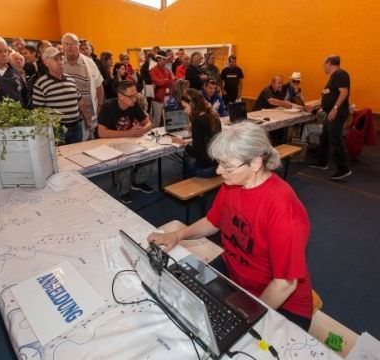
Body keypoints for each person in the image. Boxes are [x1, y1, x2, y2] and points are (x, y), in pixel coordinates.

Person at [148, 121, 313, 331]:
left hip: (281, 300)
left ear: (255, 163)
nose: (218, 171)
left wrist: (248, 321)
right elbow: (212, 222)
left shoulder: (283, 209)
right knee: (180, 296)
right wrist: (178, 235)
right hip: (236, 273)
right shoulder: (232, 184)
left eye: (226, 165)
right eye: (219, 163)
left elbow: (285, 284)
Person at [97, 80, 153, 204]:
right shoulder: (108, 106)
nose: (134, 99)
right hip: (110, 143)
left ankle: (138, 182)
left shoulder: (134, 106)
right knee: (125, 162)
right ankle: (124, 191)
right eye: (131, 96)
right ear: (120, 96)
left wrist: (142, 130)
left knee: (151, 154)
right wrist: (128, 133)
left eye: (136, 95)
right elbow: (102, 133)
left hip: (130, 141)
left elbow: (149, 123)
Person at [309, 55, 352, 180]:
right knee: (325, 137)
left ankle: (343, 169)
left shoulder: (340, 74)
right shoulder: (334, 77)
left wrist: (335, 108)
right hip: (331, 112)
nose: (323, 67)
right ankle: (322, 162)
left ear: (329, 63)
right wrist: (323, 106)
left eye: (324, 64)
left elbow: (344, 92)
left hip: (337, 113)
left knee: (335, 140)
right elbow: (331, 95)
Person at [32, 47, 84, 144]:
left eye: (61, 58)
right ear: (46, 62)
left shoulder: (71, 79)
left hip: (76, 127)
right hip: (57, 130)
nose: (60, 62)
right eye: (56, 59)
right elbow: (38, 112)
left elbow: (80, 99)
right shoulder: (41, 83)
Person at [61, 33, 104, 141]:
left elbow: (99, 86)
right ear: (62, 46)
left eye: (72, 44)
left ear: (78, 46)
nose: (69, 47)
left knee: (90, 143)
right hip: (67, 117)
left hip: (89, 113)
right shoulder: (59, 63)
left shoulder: (89, 63)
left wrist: (99, 106)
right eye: (66, 44)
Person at [179, 88, 222, 178]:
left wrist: (184, 144)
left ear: (192, 104)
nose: (184, 111)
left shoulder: (197, 121)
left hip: (206, 168)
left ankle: (189, 186)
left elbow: (196, 153)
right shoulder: (213, 115)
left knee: (186, 158)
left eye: (184, 107)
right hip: (217, 164)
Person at [150, 50, 175, 127]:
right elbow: (157, 82)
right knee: (157, 120)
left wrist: (165, 81)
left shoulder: (167, 70)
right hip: (158, 98)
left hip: (168, 97)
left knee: (168, 119)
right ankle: (154, 137)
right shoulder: (153, 70)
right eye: (163, 59)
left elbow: (172, 81)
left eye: (165, 59)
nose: (165, 61)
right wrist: (166, 81)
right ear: (158, 59)